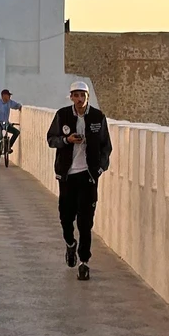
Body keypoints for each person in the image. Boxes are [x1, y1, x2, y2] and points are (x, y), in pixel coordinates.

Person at [50, 78, 112, 278]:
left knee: (86, 222)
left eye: (82, 95)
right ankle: (70, 243)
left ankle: (84, 262)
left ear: (87, 97)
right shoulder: (62, 115)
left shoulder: (97, 117)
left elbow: (106, 146)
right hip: (67, 176)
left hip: (88, 177)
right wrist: (66, 140)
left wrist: (100, 168)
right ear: (71, 97)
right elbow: (51, 139)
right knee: (66, 218)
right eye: (75, 95)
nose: (79, 99)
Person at [0, 89, 21, 162]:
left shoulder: (9, 102)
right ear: (4, 96)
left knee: (16, 132)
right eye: (8, 95)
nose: (9, 97)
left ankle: (8, 147)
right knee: (0, 136)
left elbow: (16, 105)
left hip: (5, 123)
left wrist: (19, 106)